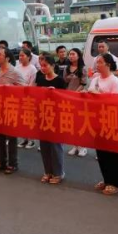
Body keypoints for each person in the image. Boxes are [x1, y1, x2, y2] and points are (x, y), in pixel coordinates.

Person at [89, 53, 118, 194]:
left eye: (100, 62)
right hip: (97, 120)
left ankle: (117, 183)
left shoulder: (114, 81)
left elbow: (116, 102)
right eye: (97, 62)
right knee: (101, 152)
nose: (97, 65)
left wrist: (97, 95)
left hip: (111, 121)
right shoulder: (95, 80)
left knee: (113, 153)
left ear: (108, 64)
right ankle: (106, 179)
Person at [0, 48, 25, 174]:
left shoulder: (15, 72)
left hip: (11, 108)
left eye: (0, 54)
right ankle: (1, 161)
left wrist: (10, 89)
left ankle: (12, 163)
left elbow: (24, 88)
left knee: (11, 137)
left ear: (7, 58)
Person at [36, 54, 66, 183]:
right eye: (41, 66)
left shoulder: (59, 81)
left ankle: (58, 173)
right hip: (43, 115)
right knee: (44, 146)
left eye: (45, 65)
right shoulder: (40, 80)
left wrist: (55, 93)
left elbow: (65, 100)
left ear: (52, 65)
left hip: (55, 116)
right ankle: (47, 171)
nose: (43, 68)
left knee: (55, 146)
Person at [64, 48, 89, 157]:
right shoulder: (66, 68)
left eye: (73, 54)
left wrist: (75, 93)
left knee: (80, 123)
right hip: (68, 98)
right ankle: (75, 146)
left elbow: (84, 83)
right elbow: (64, 81)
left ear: (79, 55)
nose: (71, 56)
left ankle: (83, 147)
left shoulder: (83, 68)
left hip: (78, 98)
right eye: (70, 54)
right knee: (72, 123)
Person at [17, 49, 38, 150]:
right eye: (20, 56)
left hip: (28, 97)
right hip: (19, 96)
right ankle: (24, 138)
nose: (20, 58)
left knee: (29, 118)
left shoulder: (32, 69)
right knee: (21, 118)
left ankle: (31, 139)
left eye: (23, 56)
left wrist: (23, 87)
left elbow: (32, 84)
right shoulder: (18, 67)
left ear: (29, 57)